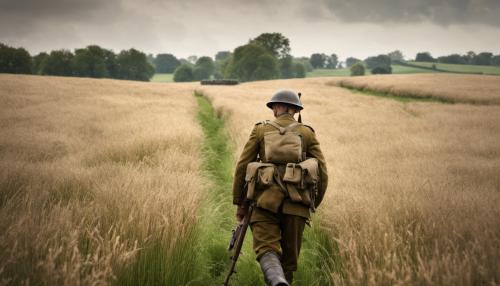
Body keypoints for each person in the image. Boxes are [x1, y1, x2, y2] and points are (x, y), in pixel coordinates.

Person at [232, 90, 328, 286]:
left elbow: (242, 167)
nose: (274, 109)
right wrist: (312, 204)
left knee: (266, 249)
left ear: (282, 108)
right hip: (297, 205)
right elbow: (322, 172)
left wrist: (240, 203)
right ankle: (281, 281)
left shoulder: (260, 130)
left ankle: (275, 280)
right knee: (289, 262)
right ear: (294, 110)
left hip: (263, 202)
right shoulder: (306, 133)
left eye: (275, 106)